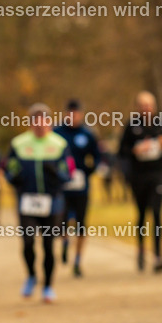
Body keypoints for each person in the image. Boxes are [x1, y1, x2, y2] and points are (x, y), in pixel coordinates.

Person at [6, 103, 73, 302]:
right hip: (27, 201)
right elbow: (8, 166)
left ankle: (48, 286)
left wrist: (58, 175)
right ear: (30, 124)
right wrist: (13, 177)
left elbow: (69, 171)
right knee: (27, 242)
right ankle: (31, 277)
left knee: (48, 244)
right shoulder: (19, 143)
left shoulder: (59, 144)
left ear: (50, 124)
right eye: (36, 124)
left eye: (44, 124)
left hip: (52, 202)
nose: (40, 127)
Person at [118, 91, 162, 272]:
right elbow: (121, 151)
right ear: (137, 107)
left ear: (154, 106)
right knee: (141, 215)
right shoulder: (131, 125)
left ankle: (158, 255)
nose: (146, 109)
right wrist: (135, 150)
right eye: (142, 105)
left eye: (149, 105)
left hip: (157, 176)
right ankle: (141, 252)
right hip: (138, 177)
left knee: (157, 214)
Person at [56, 99, 102, 277]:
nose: (72, 116)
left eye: (75, 113)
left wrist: (88, 171)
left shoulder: (88, 134)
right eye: (69, 113)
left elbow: (98, 157)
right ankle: (65, 242)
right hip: (62, 187)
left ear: (81, 114)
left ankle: (77, 261)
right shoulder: (57, 133)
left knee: (81, 225)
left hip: (81, 186)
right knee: (62, 223)